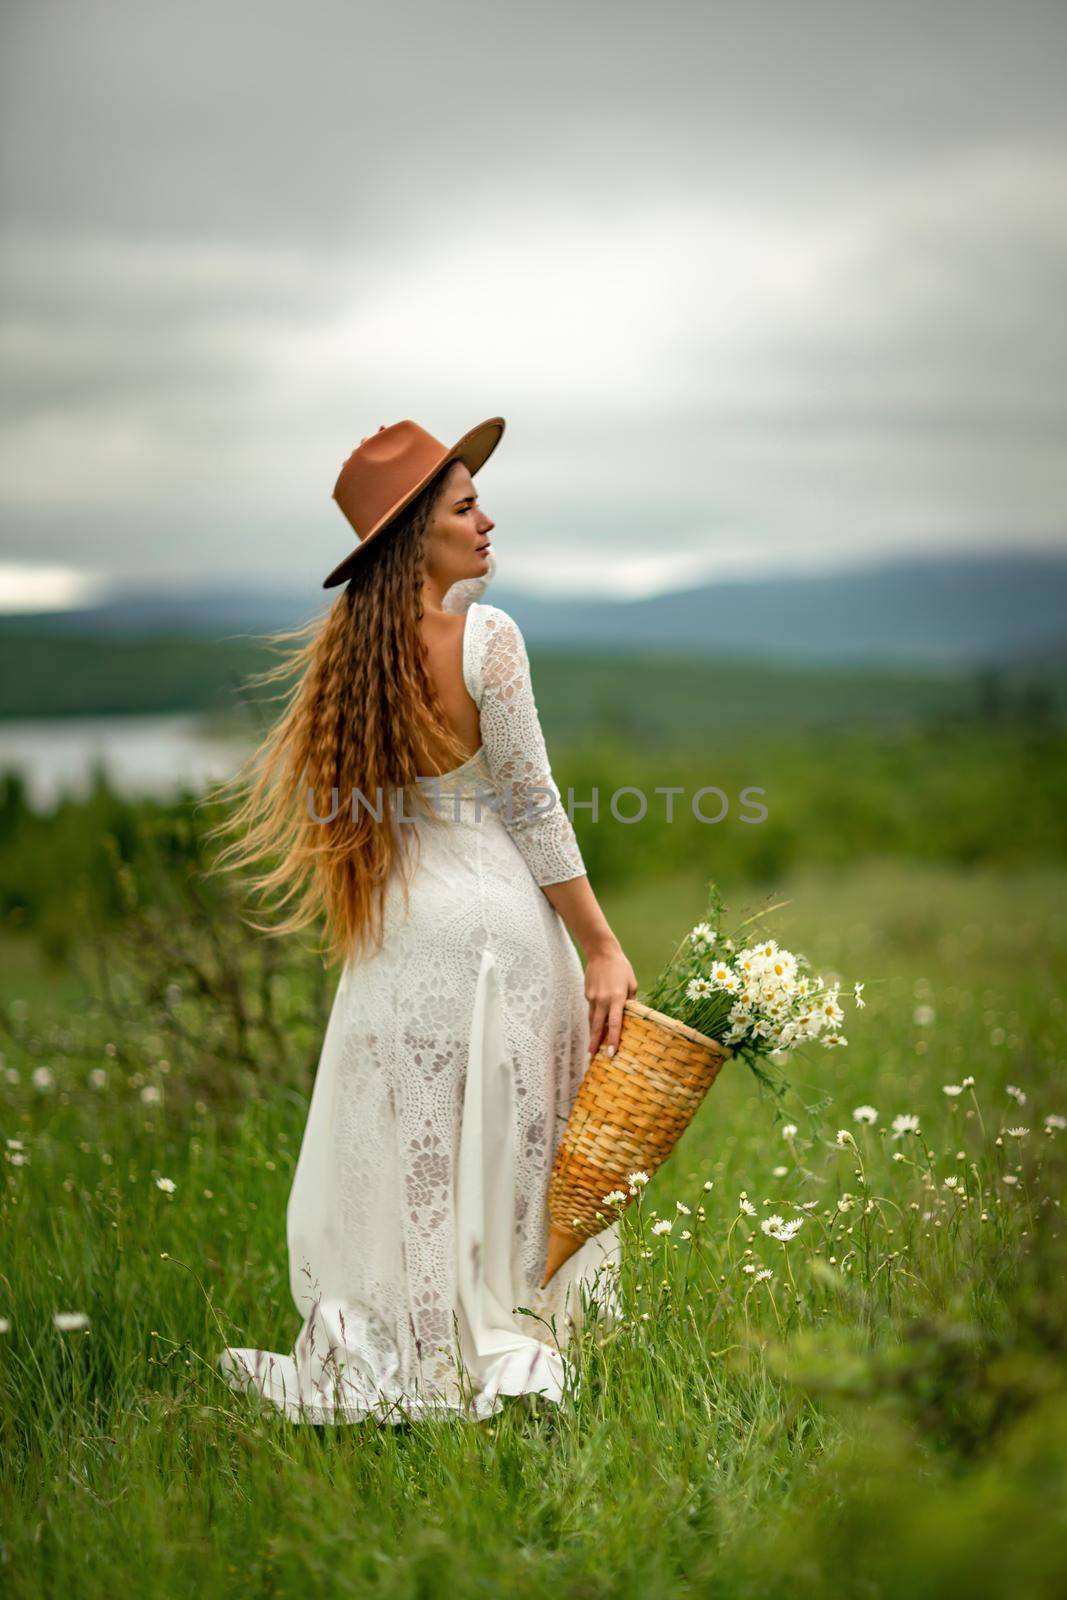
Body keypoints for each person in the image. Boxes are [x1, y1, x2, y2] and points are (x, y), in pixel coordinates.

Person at [211, 415, 637, 1425]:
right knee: (513, 1142)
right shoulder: (486, 637)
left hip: (397, 937)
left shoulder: (349, 655)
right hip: (493, 927)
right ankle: (516, 1331)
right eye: (463, 507)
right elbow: (528, 802)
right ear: (416, 537)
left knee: (418, 1146)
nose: (487, 519)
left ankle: (418, 1342)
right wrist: (602, 944)